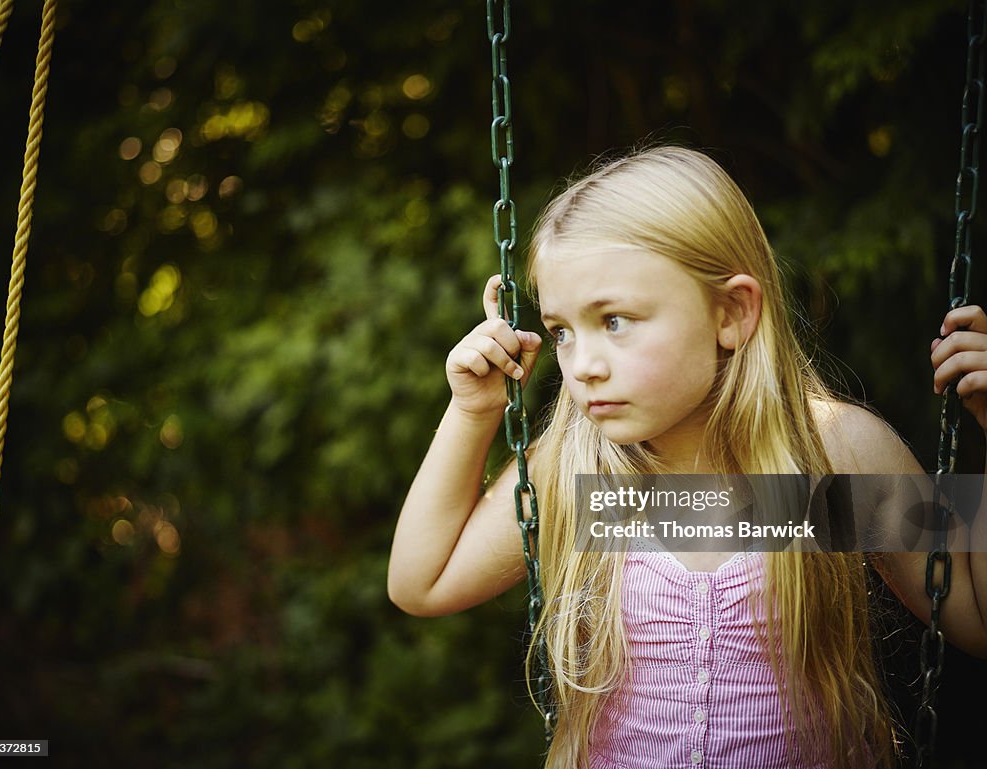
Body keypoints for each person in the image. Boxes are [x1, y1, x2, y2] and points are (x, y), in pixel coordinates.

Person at [386, 146, 987, 769]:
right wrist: (473, 411)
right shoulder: (584, 474)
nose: (582, 365)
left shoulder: (829, 455)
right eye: (561, 331)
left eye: (615, 321)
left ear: (732, 312)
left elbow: (973, 619)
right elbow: (420, 584)